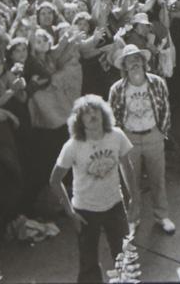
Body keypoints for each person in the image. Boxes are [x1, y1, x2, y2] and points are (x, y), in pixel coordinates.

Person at [49, 95, 138, 284]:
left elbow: (127, 167)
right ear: (79, 121)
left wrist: (134, 199)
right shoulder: (72, 146)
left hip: (115, 205)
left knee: (124, 256)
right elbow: (55, 180)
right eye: (86, 114)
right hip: (85, 211)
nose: (91, 116)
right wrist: (70, 212)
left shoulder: (117, 136)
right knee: (88, 264)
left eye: (95, 110)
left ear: (103, 113)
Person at [106, 45, 176, 235]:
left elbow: (166, 109)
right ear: (125, 66)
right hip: (129, 139)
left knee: (157, 178)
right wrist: (120, 141)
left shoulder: (157, 83)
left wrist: (162, 132)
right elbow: (112, 118)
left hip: (153, 135)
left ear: (144, 62)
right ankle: (133, 218)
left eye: (137, 59)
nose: (135, 63)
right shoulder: (117, 89)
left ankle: (162, 216)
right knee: (130, 182)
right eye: (130, 61)